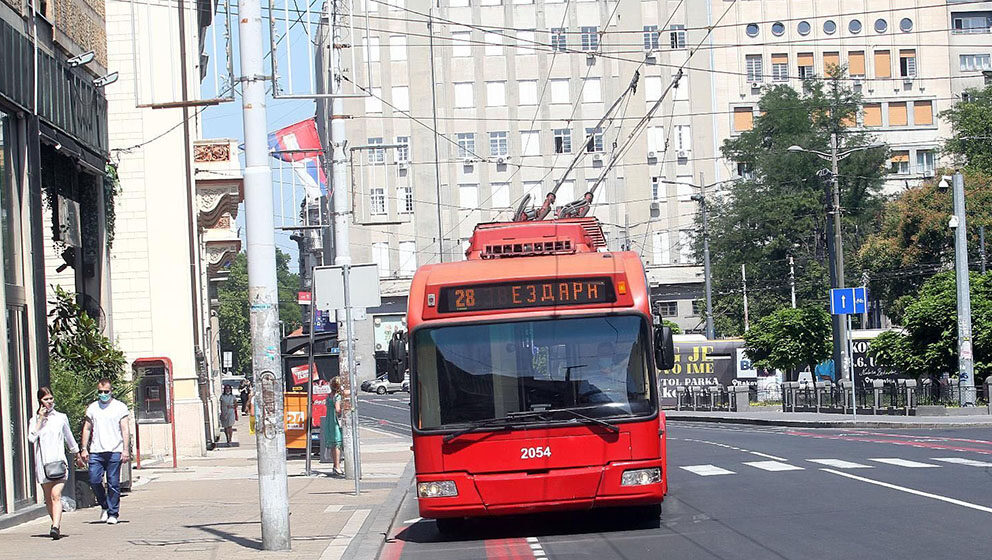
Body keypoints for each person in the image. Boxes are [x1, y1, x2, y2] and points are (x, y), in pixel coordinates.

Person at [28, 387, 79, 540]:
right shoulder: (34, 420)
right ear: (40, 402)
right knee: (49, 498)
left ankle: (55, 526)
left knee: (56, 495)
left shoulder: (61, 417)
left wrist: (77, 454)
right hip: (43, 466)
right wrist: (40, 421)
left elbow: (69, 437)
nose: (49, 402)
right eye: (46, 399)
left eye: (51, 398)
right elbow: (31, 438)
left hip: (59, 463)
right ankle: (54, 521)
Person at [79, 378, 130, 525]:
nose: (103, 394)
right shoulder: (93, 408)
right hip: (96, 450)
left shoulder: (120, 407)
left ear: (111, 391)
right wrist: (84, 448)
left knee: (113, 482)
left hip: (115, 450)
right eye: (100, 392)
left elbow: (125, 429)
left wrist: (125, 450)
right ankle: (104, 505)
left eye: (106, 392)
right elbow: (87, 428)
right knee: (94, 480)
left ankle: (113, 513)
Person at [322, 377, 345, 475]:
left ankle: (335, 465)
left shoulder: (329, 396)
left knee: (332, 444)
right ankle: (338, 466)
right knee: (337, 444)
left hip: (329, 421)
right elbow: (337, 409)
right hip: (336, 421)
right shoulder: (337, 397)